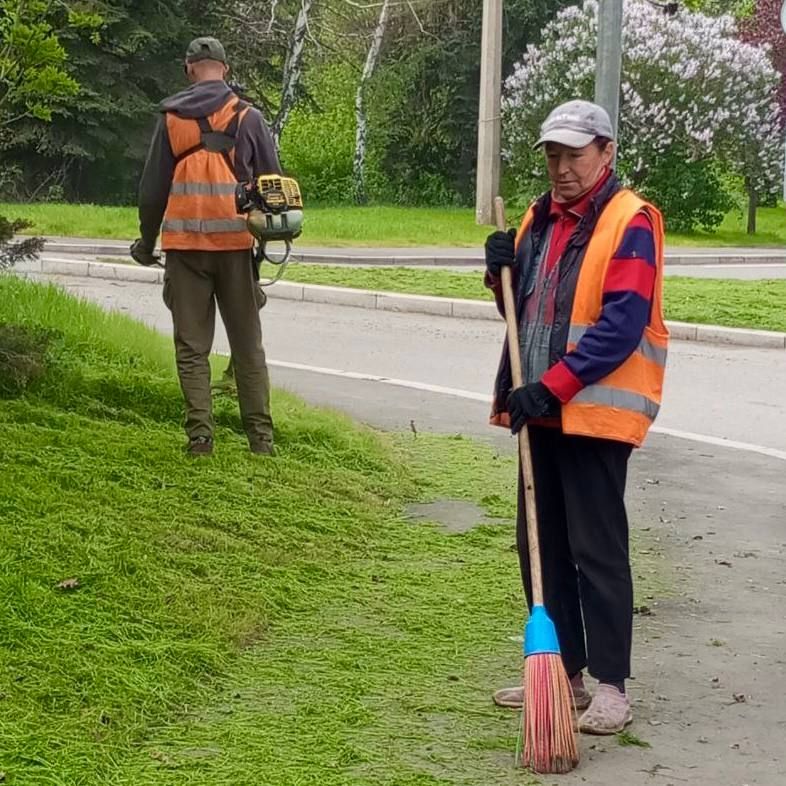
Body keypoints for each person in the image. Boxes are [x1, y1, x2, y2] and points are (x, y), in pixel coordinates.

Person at [485, 100, 669, 734]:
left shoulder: (629, 221)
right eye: (553, 156)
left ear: (606, 152)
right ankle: (562, 674)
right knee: (541, 545)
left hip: (592, 414)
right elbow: (523, 310)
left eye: (574, 155)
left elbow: (620, 326)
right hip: (538, 409)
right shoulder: (538, 218)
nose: (562, 168)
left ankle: (613, 686)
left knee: (597, 550)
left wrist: (552, 388)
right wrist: (498, 273)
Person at [131, 37, 280, 457]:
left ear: (189, 68)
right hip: (235, 247)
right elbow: (274, 184)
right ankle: (261, 441)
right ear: (225, 70)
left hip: (185, 249)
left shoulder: (172, 119)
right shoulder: (249, 117)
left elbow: (152, 191)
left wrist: (146, 242)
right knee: (247, 347)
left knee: (192, 348)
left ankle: (200, 438)